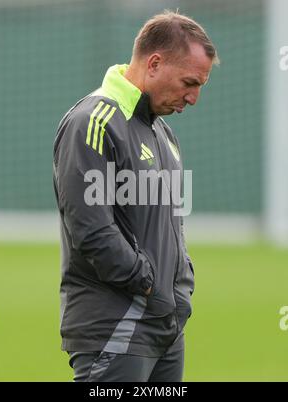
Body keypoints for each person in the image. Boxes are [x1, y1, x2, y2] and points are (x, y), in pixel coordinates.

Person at [53, 10, 219, 382]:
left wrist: (179, 289)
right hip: (117, 327)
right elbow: (92, 231)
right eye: (189, 83)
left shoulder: (164, 134)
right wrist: (148, 283)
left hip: (167, 328)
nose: (193, 98)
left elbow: (171, 228)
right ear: (155, 63)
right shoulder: (93, 122)